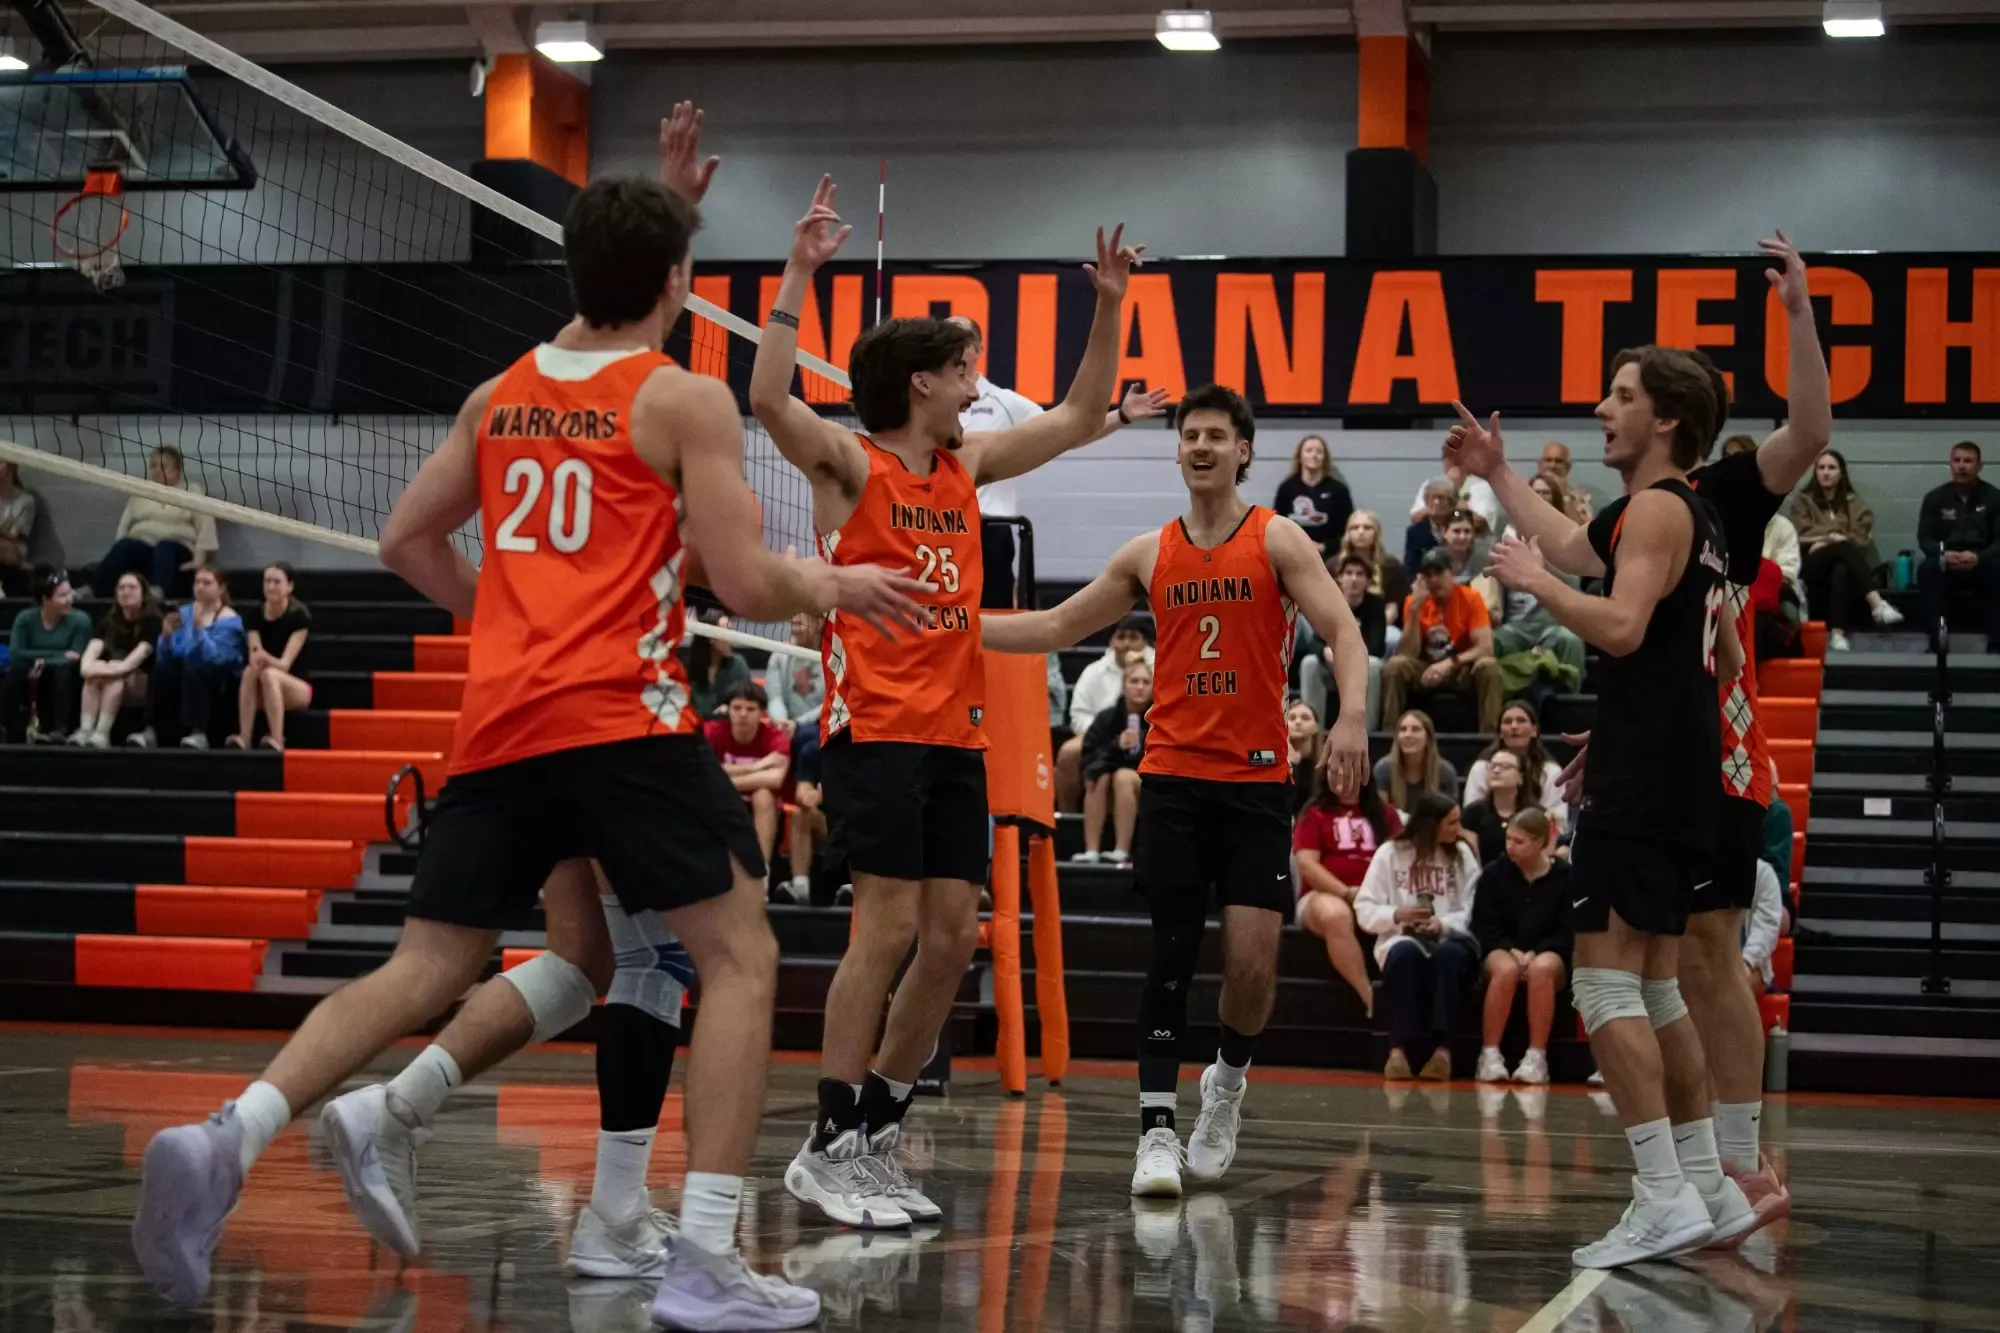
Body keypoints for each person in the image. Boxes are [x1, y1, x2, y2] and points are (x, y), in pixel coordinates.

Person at [132, 157, 929, 1326]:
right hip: (619, 720)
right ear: (675, 279)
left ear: (571, 274)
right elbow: (751, 579)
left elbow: (407, 540)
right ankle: (705, 1258)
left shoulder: (497, 394)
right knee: (740, 956)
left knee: (427, 964)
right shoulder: (678, 398)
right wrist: (842, 582)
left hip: (502, 722)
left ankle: (230, 1132)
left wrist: (508, 616)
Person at [751, 173, 1140, 1230]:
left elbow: (1075, 415)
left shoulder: (962, 468)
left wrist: (1108, 303)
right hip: (871, 730)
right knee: (881, 929)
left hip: (952, 734)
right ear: (919, 382)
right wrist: (795, 274)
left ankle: (874, 1130)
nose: (977, 382)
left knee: (953, 932)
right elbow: (767, 398)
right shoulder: (850, 464)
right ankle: (827, 1140)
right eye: (961, 369)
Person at [980, 381, 1371, 1199]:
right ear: (1179, 448)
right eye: (1189, 433)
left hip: (1258, 784)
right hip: (1174, 781)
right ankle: (1155, 1130)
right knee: (1169, 953)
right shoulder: (1147, 552)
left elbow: (1343, 629)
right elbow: (1055, 627)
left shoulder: (1278, 539)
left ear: (1243, 451)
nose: (1199, 445)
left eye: (1216, 436)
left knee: (1254, 970)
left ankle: (1225, 1082)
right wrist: (954, 624)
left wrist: (1351, 717)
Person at [1450, 331, 1757, 1266]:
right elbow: (1722, 653)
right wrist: (1502, 476)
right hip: (1677, 765)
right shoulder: (1686, 517)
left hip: (1649, 772)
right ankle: (1705, 1181)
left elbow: (1619, 624)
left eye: (1618, 395)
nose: (1599, 411)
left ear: (1664, 417)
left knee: (1601, 975)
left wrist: (1538, 585)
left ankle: (1660, 1190)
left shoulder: (1658, 512)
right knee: (1656, 978)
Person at [949, 314, 1172, 608]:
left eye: (962, 341)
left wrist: (1122, 415)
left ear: (978, 349)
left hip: (988, 530)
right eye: (945, 338)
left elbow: (1067, 433)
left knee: (990, 621)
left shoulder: (1003, 402)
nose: (953, 347)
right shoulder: (925, 399)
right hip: (935, 527)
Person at [1354, 792, 1481, 1081]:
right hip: (1402, 937)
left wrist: (1442, 924)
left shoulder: (1462, 856)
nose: (1458, 830)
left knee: (1449, 956)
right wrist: (1397, 915)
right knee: (1403, 954)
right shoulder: (1390, 853)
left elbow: (1475, 909)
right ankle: (1397, 1051)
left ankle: (1442, 1053)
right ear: (1430, 825)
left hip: (1451, 939)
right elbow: (1364, 907)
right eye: (1452, 823)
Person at [1470, 808, 1572, 1085]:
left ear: (1539, 842)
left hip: (1549, 951)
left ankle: (1536, 1057)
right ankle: (1489, 1055)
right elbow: (1483, 924)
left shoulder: (1565, 877)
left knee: (1542, 969)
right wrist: (1509, 948)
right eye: (1508, 839)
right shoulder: (1494, 874)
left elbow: (1567, 930)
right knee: (1505, 970)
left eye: (1518, 841)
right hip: (1504, 948)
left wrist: (1537, 951)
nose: (1509, 847)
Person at [1295, 746, 1400, 1015]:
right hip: (1322, 895)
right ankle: (1370, 999)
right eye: (1333, 770)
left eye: (1346, 768)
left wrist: (1372, 894)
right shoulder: (1314, 813)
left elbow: (1399, 860)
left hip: (1378, 894)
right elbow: (1307, 865)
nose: (1339, 775)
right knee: (1336, 916)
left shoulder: (1385, 813)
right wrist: (1347, 893)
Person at [1789, 448, 1903, 650]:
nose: (1826, 472)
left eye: (1831, 468)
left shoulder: (1855, 503)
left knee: (1841, 568)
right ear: (1815, 472)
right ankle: (1877, 604)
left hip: (1842, 566)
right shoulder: (1803, 500)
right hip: (1810, 565)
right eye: (1821, 467)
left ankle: (1838, 634)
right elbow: (1798, 534)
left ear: (1841, 472)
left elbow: (1861, 538)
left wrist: (1824, 540)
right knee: (1842, 545)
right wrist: (1834, 537)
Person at [1380, 547, 1503, 733]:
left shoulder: (1471, 598)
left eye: (1439, 572)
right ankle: (1389, 737)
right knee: (1395, 666)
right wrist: (1413, 612)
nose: (1434, 580)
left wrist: (1449, 663)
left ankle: (1489, 740)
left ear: (1451, 573)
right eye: (1427, 575)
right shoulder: (1413, 602)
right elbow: (1407, 653)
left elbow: (1485, 648)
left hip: (1461, 668)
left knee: (1489, 666)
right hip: (1426, 668)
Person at [91, 445, 220, 601]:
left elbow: (205, 527)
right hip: (144, 547)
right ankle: (92, 589)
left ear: (177, 468)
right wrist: (120, 548)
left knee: (164, 547)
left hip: (177, 549)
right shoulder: (141, 492)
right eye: (153, 466)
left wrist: (199, 560)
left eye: (164, 466)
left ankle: (158, 591)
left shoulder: (191, 490)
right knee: (125, 546)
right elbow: (124, 526)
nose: (157, 470)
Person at [1059, 616, 1154, 812]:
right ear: (1111, 641)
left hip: (1149, 733)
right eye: (1121, 637)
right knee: (1069, 752)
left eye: (1133, 637)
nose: (1127, 643)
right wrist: (1104, 734)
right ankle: (1067, 814)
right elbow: (1078, 714)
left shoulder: (1160, 667)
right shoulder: (1093, 672)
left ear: (1145, 642)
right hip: (1100, 734)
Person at [147, 566, 245, 750]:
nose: (200, 587)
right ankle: (152, 729)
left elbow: (218, 657)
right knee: (161, 669)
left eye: (207, 583)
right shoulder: (181, 613)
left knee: (194, 664)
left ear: (221, 588)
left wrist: (199, 631)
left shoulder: (230, 619)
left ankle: (199, 731)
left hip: (217, 675)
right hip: (186, 667)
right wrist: (166, 639)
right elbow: (167, 653)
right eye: (197, 582)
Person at [1916, 441, 2000, 652]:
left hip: (1982, 562)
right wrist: (1943, 553)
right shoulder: (1935, 498)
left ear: (1979, 466)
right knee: (1927, 569)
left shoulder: (1995, 498)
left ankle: (1996, 644)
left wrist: (1980, 557)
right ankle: (1936, 643)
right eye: (1957, 460)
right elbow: (1925, 538)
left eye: (1968, 461)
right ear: (1950, 465)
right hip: (1947, 561)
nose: (1962, 466)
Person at [769, 615, 827, 906]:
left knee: (808, 742)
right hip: (788, 728)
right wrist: (782, 722)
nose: (795, 628)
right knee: (780, 742)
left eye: (802, 623)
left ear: (817, 624)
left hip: (819, 727)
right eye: (792, 623)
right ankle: (786, 880)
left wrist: (796, 722)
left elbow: (830, 703)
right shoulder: (780, 655)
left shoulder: (831, 654)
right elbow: (775, 696)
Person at [705, 680, 791, 871]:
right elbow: (706, 773)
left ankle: (763, 871)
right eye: (737, 707)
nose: (743, 714)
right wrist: (759, 766)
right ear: (727, 709)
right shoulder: (712, 730)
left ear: (762, 713)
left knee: (763, 794)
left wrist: (723, 777)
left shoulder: (775, 736)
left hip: (763, 810)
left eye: (750, 709)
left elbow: (776, 779)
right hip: (722, 803)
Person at [1074, 657, 1152, 865]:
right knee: (1097, 775)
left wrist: (1142, 741)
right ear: (1123, 685)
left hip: (1147, 781)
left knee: (1124, 777)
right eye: (1134, 681)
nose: (1139, 687)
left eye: (1145, 682)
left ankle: (1121, 850)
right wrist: (1117, 745)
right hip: (1108, 785)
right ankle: (1091, 850)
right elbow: (1090, 753)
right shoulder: (1106, 718)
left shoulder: (1160, 718)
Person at [2, 565, 91, 743]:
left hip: (63, 676)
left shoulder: (81, 621)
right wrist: (57, 655)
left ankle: (60, 729)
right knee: (17, 671)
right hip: (31, 671)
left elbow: (76, 657)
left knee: (64, 670)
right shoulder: (25, 618)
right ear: (45, 599)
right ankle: (3, 726)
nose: (69, 600)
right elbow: (16, 653)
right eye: (62, 596)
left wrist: (42, 660)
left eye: (70, 593)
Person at [230, 563, 313, 750]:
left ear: (289, 586)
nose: (271, 586)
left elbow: (284, 665)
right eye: (267, 581)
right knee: (250, 671)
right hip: (263, 688)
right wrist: (258, 657)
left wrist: (264, 657)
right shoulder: (255, 615)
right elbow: (255, 654)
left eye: (277, 582)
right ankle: (244, 737)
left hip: (297, 686)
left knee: (270, 674)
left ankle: (277, 738)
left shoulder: (299, 616)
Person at [75, 571, 162, 747]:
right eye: (121, 587)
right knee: (96, 674)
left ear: (143, 593)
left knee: (111, 674)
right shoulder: (109, 621)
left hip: (141, 683)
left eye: (132, 587)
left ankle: (102, 733)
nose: (126, 592)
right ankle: (85, 730)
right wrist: (90, 668)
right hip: (114, 677)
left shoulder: (152, 621)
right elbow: (89, 657)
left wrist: (107, 668)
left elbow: (134, 661)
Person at [1299, 554, 1386, 729]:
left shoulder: (1375, 605)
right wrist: (1325, 651)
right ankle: (1313, 730)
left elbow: (1377, 647)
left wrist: (1347, 655)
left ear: (1368, 580)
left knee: (1375, 665)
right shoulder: (1328, 602)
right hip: (1331, 665)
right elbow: (1314, 643)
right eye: (1349, 573)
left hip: (1359, 666)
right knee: (1309, 663)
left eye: (1360, 574)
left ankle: (1365, 731)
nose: (1353, 579)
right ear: (1340, 578)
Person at [1461, 699, 1567, 823]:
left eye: (1521, 721)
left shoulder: (1550, 771)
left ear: (1534, 730)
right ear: (1500, 732)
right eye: (1507, 722)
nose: (1514, 726)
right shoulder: (1482, 767)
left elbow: (1558, 823)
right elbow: (1470, 815)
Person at [1274, 434, 1353, 555]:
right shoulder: (1287, 489)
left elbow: (1347, 530)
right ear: (1300, 456)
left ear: (1324, 457)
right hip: (1293, 554)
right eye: (1309, 450)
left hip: (1328, 557)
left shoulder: (1338, 490)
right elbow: (1277, 527)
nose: (1314, 455)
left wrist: (1324, 547)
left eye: (1319, 451)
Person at [1337, 509, 1410, 635]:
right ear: (1348, 533)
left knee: (1393, 636)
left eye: (1367, 528)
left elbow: (1392, 609)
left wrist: (1373, 629)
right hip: (1339, 623)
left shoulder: (1391, 565)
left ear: (1376, 533)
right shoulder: (1335, 564)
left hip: (1379, 625)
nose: (1361, 532)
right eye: (1355, 528)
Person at [1373, 709, 1461, 810]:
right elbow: (1380, 815)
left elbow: (1450, 816)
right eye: (1402, 729)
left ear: (1428, 738)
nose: (1408, 735)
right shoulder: (1383, 769)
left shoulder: (1445, 771)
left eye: (1415, 729)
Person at [1459, 749, 1529, 865]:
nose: (1496, 771)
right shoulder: (1473, 813)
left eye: (1505, 767)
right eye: (1492, 766)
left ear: (1520, 777)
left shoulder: (1534, 813)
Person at [685, 606, 751, 719]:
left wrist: (729, 709)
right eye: (727, 632)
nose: (731, 639)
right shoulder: (687, 668)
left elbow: (746, 702)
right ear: (711, 638)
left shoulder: (738, 665)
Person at [1408, 462, 1500, 533]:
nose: (1451, 464)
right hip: (1433, 540)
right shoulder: (1431, 484)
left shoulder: (1480, 486)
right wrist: (1437, 509)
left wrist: (1452, 493)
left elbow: (1479, 523)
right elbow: (1416, 519)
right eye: (1447, 459)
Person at [1742, 857, 1786, 1000]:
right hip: (1701, 964)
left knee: (1734, 985)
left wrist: (1747, 962)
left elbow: (1766, 929)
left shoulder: (1763, 873)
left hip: (1751, 965)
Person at [0, 462, 38, 595]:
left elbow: (15, 536)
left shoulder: (25, 501)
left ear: (11, 468)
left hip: (14, 548)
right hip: (6, 546)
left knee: (8, 549)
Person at [1403, 478, 1457, 573]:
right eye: (1432, 498)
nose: (1436, 502)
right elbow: (1411, 568)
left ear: (1451, 502)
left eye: (1441, 498)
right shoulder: (1415, 532)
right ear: (1426, 501)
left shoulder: (1460, 528)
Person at [1539, 441, 1595, 521]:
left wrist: (1565, 496)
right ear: (1540, 465)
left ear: (1567, 467)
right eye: (1548, 460)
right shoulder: (1527, 491)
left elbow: (1583, 529)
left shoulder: (1581, 496)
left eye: (1558, 461)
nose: (1552, 466)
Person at [1441, 508, 1493, 581]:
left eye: (1467, 531)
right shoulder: (1434, 559)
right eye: (1456, 531)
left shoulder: (1483, 560)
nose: (1462, 537)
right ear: (1444, 532)